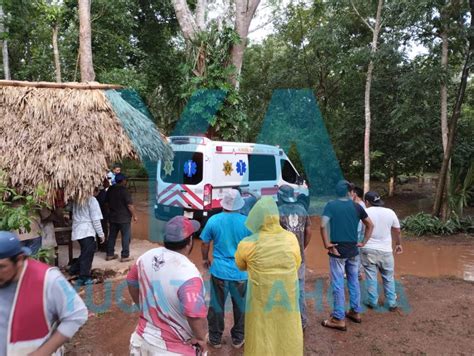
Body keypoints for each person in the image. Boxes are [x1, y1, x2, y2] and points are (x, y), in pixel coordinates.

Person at [127, 216, 208, 356]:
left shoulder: (146, 256)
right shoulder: (189, 273)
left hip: (141, 341)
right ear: (189, 242)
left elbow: (131, 281)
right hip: (172, 349)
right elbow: (194, 314)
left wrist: (143, 307)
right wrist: (201, 338)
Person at [0, 231, 88, 356]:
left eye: (2, 267)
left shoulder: (49, 278)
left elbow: (77, 314)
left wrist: (43, 352)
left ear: (19, 260)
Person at [235, 197, 303, 356]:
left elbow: (240, 265)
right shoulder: (290, 239)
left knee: (261, 335)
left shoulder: (247, 243)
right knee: (286, 333)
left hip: (261, 300)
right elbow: (297, 263)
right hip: (287, 297)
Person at [320, 180, 373, 331]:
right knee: (353, 280)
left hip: (337, 250)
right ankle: (355, 312)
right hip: (353, 250)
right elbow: (370, 224)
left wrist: (326, 244)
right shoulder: (356, 206)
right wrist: (363, 242)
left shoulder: (331, 206)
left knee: (337, 282)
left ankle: (338, 318)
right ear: (350, 192)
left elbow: (322, 225)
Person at [200, 189, 250, 349]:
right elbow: (253, 246)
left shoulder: (214, 220)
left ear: (224, 203)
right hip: (240, 272)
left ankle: (215, 339)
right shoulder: (246, 222)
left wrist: (205, 258)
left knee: (216, 305)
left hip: (219, 271)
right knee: (241, 306)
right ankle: (238, 338)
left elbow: (204, 242)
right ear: (239, 205)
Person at [277, 184, 312, 330]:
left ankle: (286, 322)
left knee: (282, 289)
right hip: (300, 258)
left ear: (280, 196)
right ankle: (302, 322)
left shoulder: (278, 211)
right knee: (300, 290)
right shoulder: (302, 210)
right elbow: (309, 231)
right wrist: (302, 247)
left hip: (283, 259)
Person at [361, 191, 403, 311]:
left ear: (367, 202)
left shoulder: (364, 212)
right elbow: (397, 231)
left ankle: (372, 301)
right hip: (386, 250)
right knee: (388, 277)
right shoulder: (390, 212)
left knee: (371, 276)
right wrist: (398, 244)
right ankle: (391, 302)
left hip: (368, 248)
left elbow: (359, 230)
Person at [70, 195, 105, 286]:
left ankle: (74, 269)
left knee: (85, 253)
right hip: (87, 231)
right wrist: (101, 234)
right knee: (87, 255)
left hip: (78, 230)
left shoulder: (76, 199)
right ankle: (83, 278)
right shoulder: (92, 200)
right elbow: (96, 220)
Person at [105, 173, 137, 262]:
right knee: (126, 236)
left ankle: (109, 254)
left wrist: (110, 212)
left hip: (113, 217)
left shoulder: (110, 189)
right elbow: (130, 205)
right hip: (124, 218)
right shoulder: (125, 191)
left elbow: (106, 204)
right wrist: (134, 216)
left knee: (112, 236)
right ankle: (125, 256)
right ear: (123, 181)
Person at [351, 185, 367, 279]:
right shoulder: (362, 204)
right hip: (360, 232)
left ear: (355, 194)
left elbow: (361, 222)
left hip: (357, 231)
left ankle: (356, 273)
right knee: (357, 252)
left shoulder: (359, 206)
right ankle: (358, 272)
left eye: (352, 193)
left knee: (355, 253)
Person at [95, 177, 110, 252]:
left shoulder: (99, 192)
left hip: (101, 213)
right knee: (103, 228)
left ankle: (100, 245)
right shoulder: (102, 193)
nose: (108, 183)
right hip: (102, 213)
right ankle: (103, 245)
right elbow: (105, 204)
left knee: (100, 228)